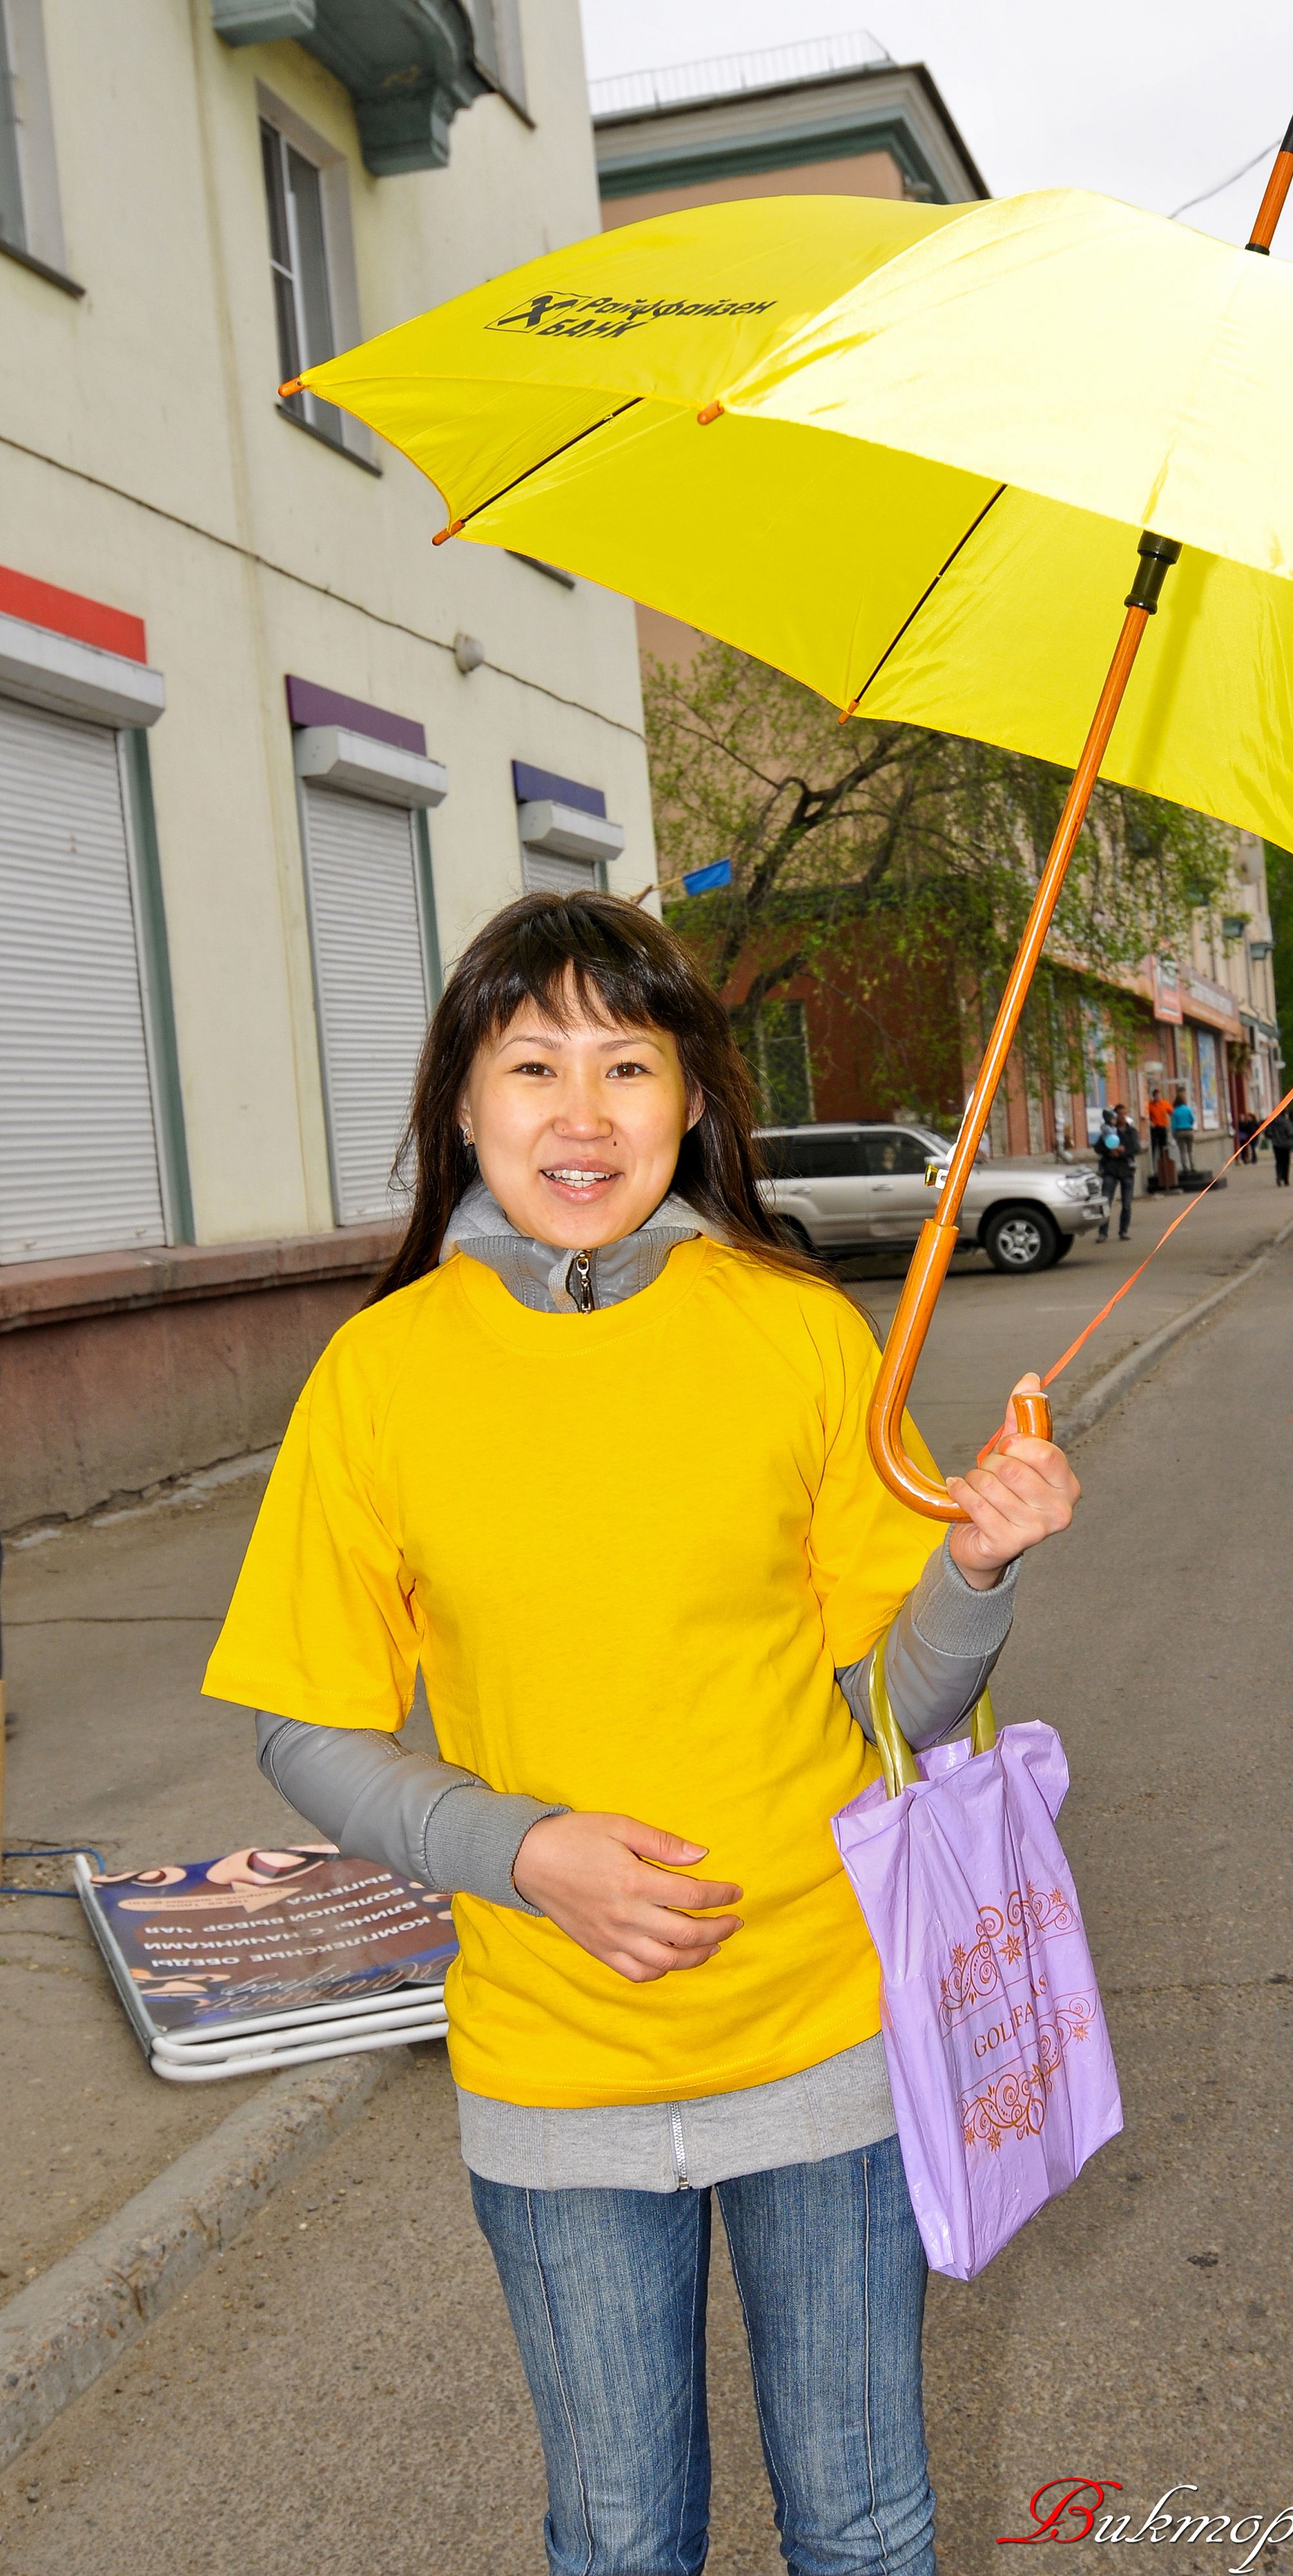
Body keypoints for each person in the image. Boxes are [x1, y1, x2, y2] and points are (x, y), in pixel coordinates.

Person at [202, 891, 1082, 2575]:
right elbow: (305, 1725)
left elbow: (889, 1708)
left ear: (691, 1099)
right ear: (463, 1102)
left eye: (627, 1063)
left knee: (865, 2522)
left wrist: (973, 1569)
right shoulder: (379, 1376)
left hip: (824, 2032)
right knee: (617, 2536)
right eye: (533, 1064)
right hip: (554, 2062)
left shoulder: (796, 1332)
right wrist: (522, 1852)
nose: (583, 1113)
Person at [1095, 1099, 1141, 1242]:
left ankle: (1123, 1231)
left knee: (1126, 1204)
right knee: (1106, 1202)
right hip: (1111, 1170)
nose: (1122, 1116)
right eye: (1120, 1114)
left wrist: (1122, 1152)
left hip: (1127, 1170)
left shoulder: (1132, 1131)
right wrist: (1109, 1152)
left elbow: (1136, 1148)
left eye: (1125, 1114)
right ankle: (1103, 1233)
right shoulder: (1108, 1131)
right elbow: (1098, 1148)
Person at [1170, 1084, 1196, 1178]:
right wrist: (1189, 1125)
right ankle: (1193, 1167)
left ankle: (1185, 1168)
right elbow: (1193, 1119)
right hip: (1189, 1131)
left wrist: (1174, 1135)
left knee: (1182, 1151)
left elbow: (1173, 1125)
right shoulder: (1187, 1109)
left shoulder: (1175, 1112)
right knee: (1190, 1150)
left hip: (1180, 1132)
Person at [1147, 1086, 1171, 1178]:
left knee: (1163, 1147)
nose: (1158, 1098)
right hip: (1154, 1128)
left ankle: (1164, 1167)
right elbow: (1146, 1116)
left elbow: (1172, 1112)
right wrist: (1150, 1123)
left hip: (1163, 1128)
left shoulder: (1165, 1104)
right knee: (1154, 1147)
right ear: (1154, 1097)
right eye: (1157, 1096)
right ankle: (1153, 1168)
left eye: (1160, 1096)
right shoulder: (1150, 1105)